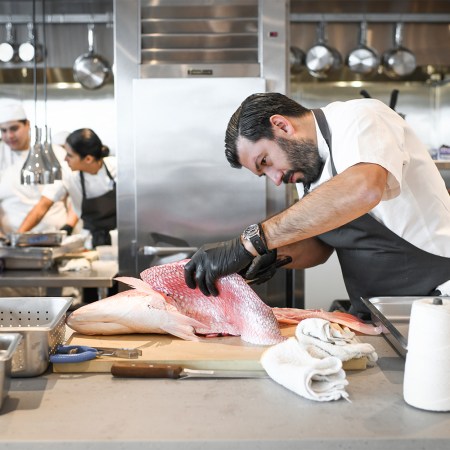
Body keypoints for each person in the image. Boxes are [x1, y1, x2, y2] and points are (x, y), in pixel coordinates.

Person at [183, 92, 450, 318]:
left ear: (282, 126)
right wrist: (270, 256)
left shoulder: (360, 118)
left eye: (265, 161)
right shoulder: (308, 171)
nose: (276, 179)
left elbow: (363, 189)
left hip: (436, 301)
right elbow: (319, 247)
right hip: (380, 312)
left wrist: (251, 242)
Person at [18, 128, 117, 248]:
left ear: (88, 159)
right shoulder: (67, 173)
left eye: (70, 155)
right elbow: (42, 206)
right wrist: (17, 237)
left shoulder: (117, 168)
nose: (65, 159)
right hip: (90, 242)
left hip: (120, 238)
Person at [0, 99, 71, 234]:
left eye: (14, 128)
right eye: (3, 130)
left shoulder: (54, 154)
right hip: (8, 240)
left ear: (27, 125)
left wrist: (19, 236)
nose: (9, 135)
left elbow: (47, 201)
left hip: (52, 236)